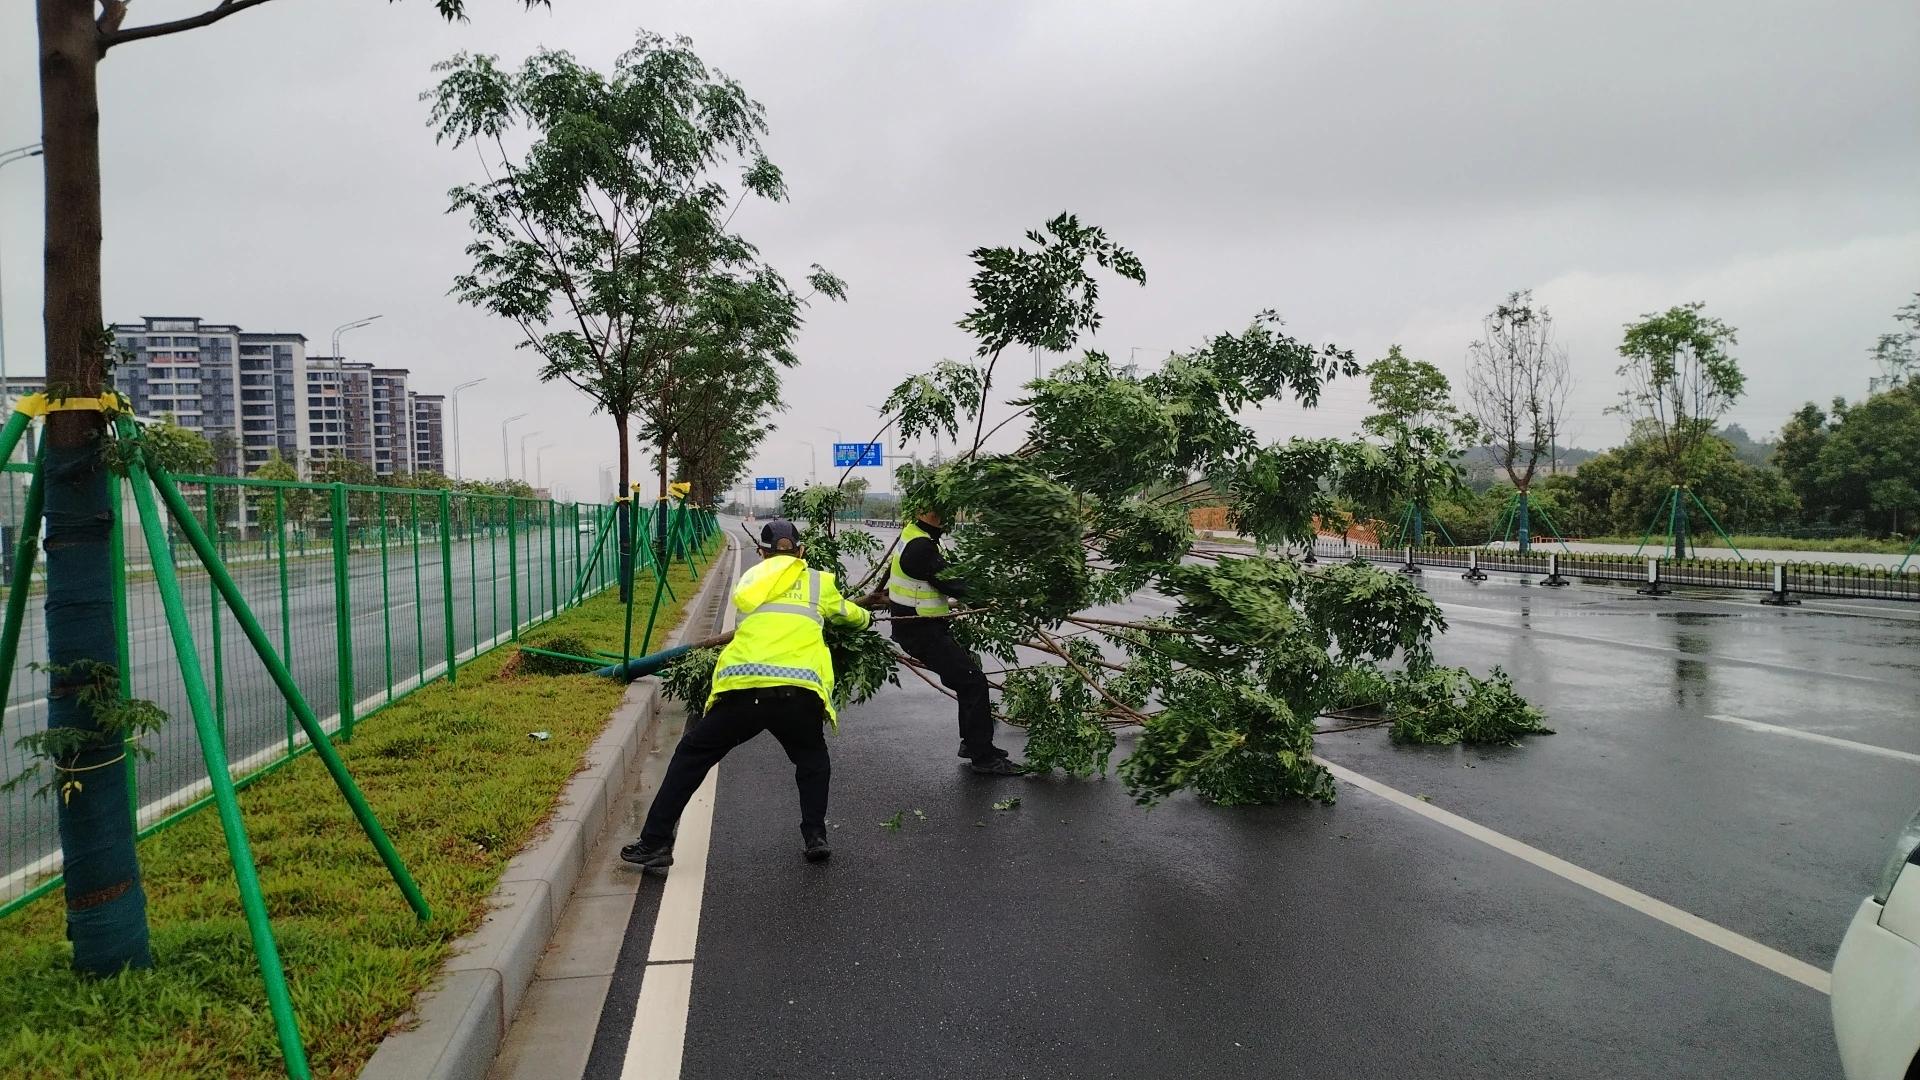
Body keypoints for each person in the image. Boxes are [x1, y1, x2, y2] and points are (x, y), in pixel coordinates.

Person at [621, 518, 870, 870]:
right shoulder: (818, 582)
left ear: (760, 553)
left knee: (692, 755)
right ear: (801, 551)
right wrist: (868, 615)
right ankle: (815, 836)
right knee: (812, 760)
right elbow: (851, 616)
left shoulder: (749, 582)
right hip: (796, 693)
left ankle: (655, 842)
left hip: (744, 691)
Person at [887, 508, 1023, 776]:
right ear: (926, 511)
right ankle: (983, 757)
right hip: (920, 631)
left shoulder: (916, 535)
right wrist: (995, 598)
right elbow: (954, 582)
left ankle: (974, 745)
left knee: (966, 680)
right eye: (943, 510)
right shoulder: (920, 547)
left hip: (921, 627)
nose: (948, 515)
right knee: (973, 681)